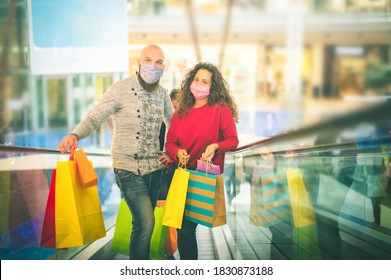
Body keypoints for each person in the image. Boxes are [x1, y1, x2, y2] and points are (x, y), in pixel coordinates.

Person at [58, 44, 174, 260]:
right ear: (139, 63)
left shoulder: (162, 94)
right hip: (127, 168)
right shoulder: (119, 89)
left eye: (158, 62)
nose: (153, 66)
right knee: (146, 223)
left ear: (163, 66)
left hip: (155, 169)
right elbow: (95, 117)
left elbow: (173, 122)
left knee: (143, 224)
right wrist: (75, 135)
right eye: (148, 60)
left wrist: (168, 150)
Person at [165, 62, 239, 260]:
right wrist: (177, 152)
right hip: (180, 175)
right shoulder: (182, 110)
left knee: (187, 228)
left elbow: (233, 140)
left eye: (205, 81)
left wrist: (216, 146)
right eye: (196, 79)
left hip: (202, 177)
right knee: (183, 229)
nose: (199, 84)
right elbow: (170, 143)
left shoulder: (221, 110)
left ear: (213, 86)